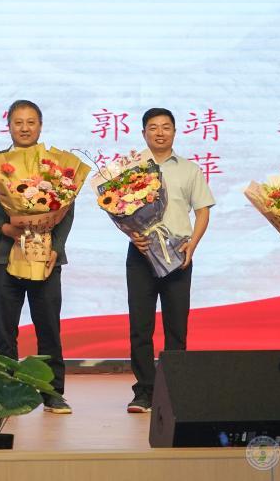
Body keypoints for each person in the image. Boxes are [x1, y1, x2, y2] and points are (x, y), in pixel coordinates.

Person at [0, 99, 74, 414]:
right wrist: (4, 228)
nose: (25, 128)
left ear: (40, 126)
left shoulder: (54, 165)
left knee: (49, 328)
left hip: (45, 258)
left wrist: (56, 247)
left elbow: (66, 208)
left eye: (31, 122)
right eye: (18, 122)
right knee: (5, 330)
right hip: (4, 257)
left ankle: (53, 393)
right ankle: (5, 392)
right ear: (9, 126)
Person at [125, 107, 214, 414]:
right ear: (143, 133)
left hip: (178, 254)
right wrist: (131, 234)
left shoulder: (189, 170)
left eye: (166, 127)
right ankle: (144, 391)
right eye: (153, 127)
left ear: (175, 132)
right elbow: (118, 209)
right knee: (140, 326)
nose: (160, 132)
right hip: (141, 254)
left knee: (176, 325)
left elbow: (202, 210)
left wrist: (193, 245)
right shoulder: (131, 169)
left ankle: (174, 388)